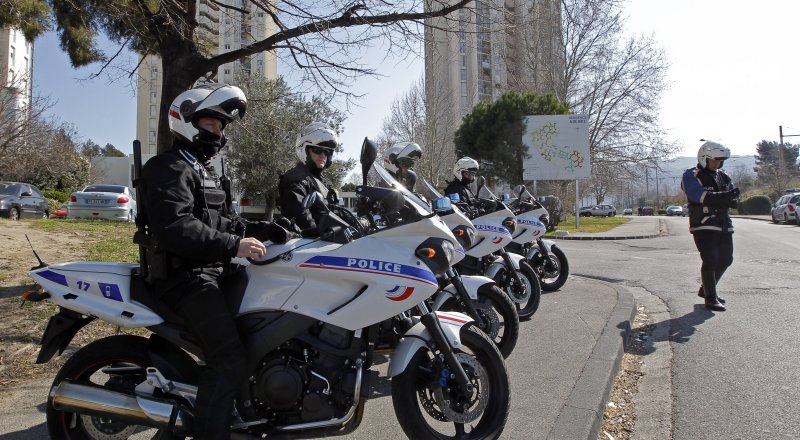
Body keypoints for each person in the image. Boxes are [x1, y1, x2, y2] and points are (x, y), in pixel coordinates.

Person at [139, 83, 295, 439]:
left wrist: (269, 229)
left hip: (214, 269)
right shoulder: (169, 167)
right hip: (185, 277)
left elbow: (228, 223)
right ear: (187, 121)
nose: (218, 132)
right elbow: (176, 228)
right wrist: (234, 246)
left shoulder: (205, 171)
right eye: (211, 124)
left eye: (222, 127)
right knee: (227, 359)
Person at [681, 140, 740, 312]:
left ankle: (706, 289)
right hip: (703, 224)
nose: (718, 164)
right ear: (704, 158)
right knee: (711, 259)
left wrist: (732, 199)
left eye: (720, 161)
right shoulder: (692, 174)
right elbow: (696, 195)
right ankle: (711, 297)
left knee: (727, 259)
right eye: (714, 160)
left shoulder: (724, 176)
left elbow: (733, 193)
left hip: (723, 223)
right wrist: (722, 197)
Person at [278, 122, 339, 233]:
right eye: (317, 150)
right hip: (309, 244)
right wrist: (322, 234)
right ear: (304, 150)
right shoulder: (295, 179)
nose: (323, 155)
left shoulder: (323, 182)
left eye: (327, 152)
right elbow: (302, 219)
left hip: (328, 242)